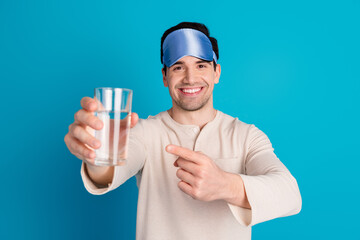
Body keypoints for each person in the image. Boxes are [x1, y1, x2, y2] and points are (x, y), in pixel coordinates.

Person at [64, 22, 302, 240]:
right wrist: (94, 152)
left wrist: (225, 185)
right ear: (165, 76)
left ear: (216, 72)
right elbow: (107, 173)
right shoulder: (145, 133)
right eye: (178, 67)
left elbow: (290, 195)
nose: (190, 78)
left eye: (200, 65)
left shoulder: (246, 135)